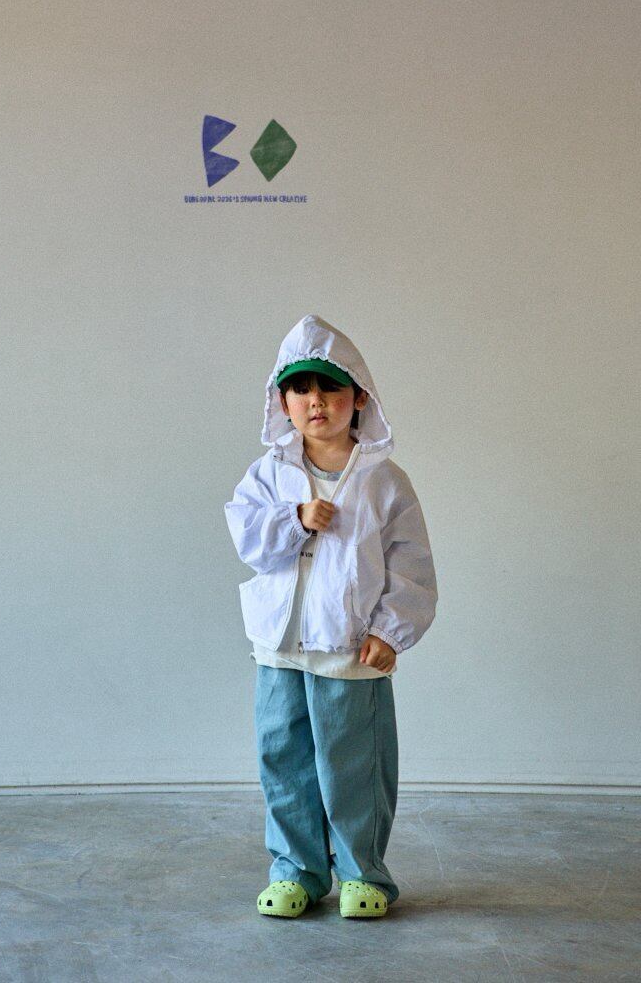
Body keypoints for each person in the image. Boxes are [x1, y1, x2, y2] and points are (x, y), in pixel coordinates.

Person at [224, 313, 438, 919]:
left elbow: (411, 565)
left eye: (330, 388)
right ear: (282, 402)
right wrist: (293, 518)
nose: (315, 401)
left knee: (353, 763)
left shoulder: (384, 482)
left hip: (350, 647)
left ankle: (362, 873)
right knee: (284, 759)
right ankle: (296, 871)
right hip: (280, 647)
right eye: (299, 389)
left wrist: (389, 631)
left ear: (359, 397)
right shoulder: (267, 475)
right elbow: (248, 539)